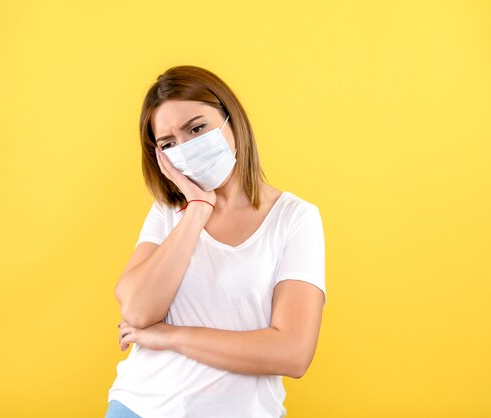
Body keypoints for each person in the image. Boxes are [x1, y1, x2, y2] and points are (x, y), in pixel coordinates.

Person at [105, 65, 326, 418]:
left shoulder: (294, 218)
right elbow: (137, 310)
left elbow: (292, 353)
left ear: (231, 120)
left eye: (196, 128)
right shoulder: (167, 212)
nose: (186, 147)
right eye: (168, 143)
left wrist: (171, 336)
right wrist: (197, 209)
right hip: (140, 407)